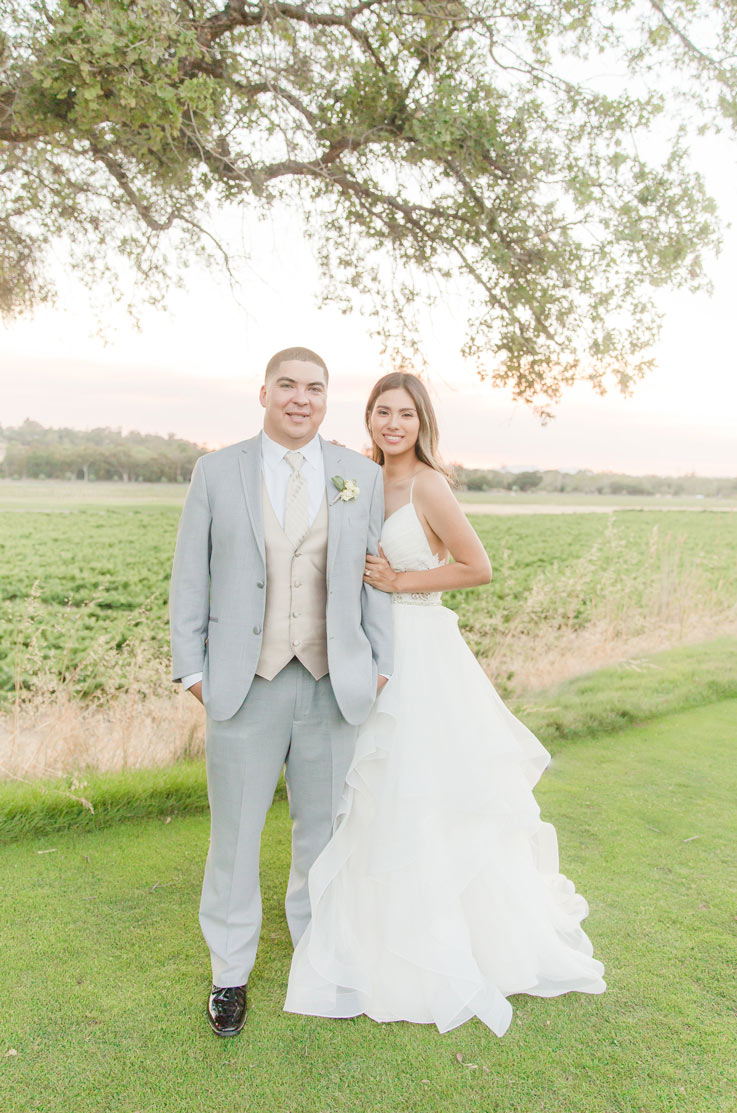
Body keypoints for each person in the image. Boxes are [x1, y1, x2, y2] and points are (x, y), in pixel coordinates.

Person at [285, 371, 606, 1036]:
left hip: (422, 651)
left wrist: (403, 580)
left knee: (422, 788)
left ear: (420, 421)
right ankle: (370, 924)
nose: (393, 423)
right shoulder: (359, 480)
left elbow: (475, 565)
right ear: (368, 418)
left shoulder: (428, 482)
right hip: (366, 653)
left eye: (405, 413)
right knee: (369, 788)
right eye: (382, 411)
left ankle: (439, 938)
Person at [169, 347, 393, 1037]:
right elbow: (189, 574)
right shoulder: (217, 470)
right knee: (235, 835)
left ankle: (317, 953)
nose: (301, 398)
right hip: (244, 683)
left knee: (321, 832)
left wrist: (378, 662)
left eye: (315, 388)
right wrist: (193, 670)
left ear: (327, 398)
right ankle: (229, 972)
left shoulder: (359, 475)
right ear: (263, 391)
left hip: (332, 683)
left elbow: (371, 573)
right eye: (288, 386)